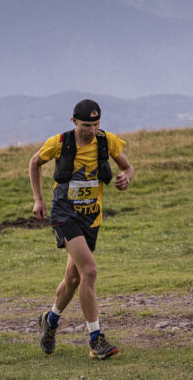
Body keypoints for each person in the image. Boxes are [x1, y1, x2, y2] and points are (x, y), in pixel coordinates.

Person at [29, 98, 135, 360]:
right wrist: (39, 199)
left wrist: (126, 178)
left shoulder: (106, 141)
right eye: (87, 124)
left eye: (96, 124)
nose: (92, 129)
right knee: (89, 271)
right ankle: (96, 339)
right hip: (65, 214)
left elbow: (128, 167)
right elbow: (34, 163)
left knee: (74, 279)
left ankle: (50, 320)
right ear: (74, 121)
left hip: (91, 218)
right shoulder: (60, 142)